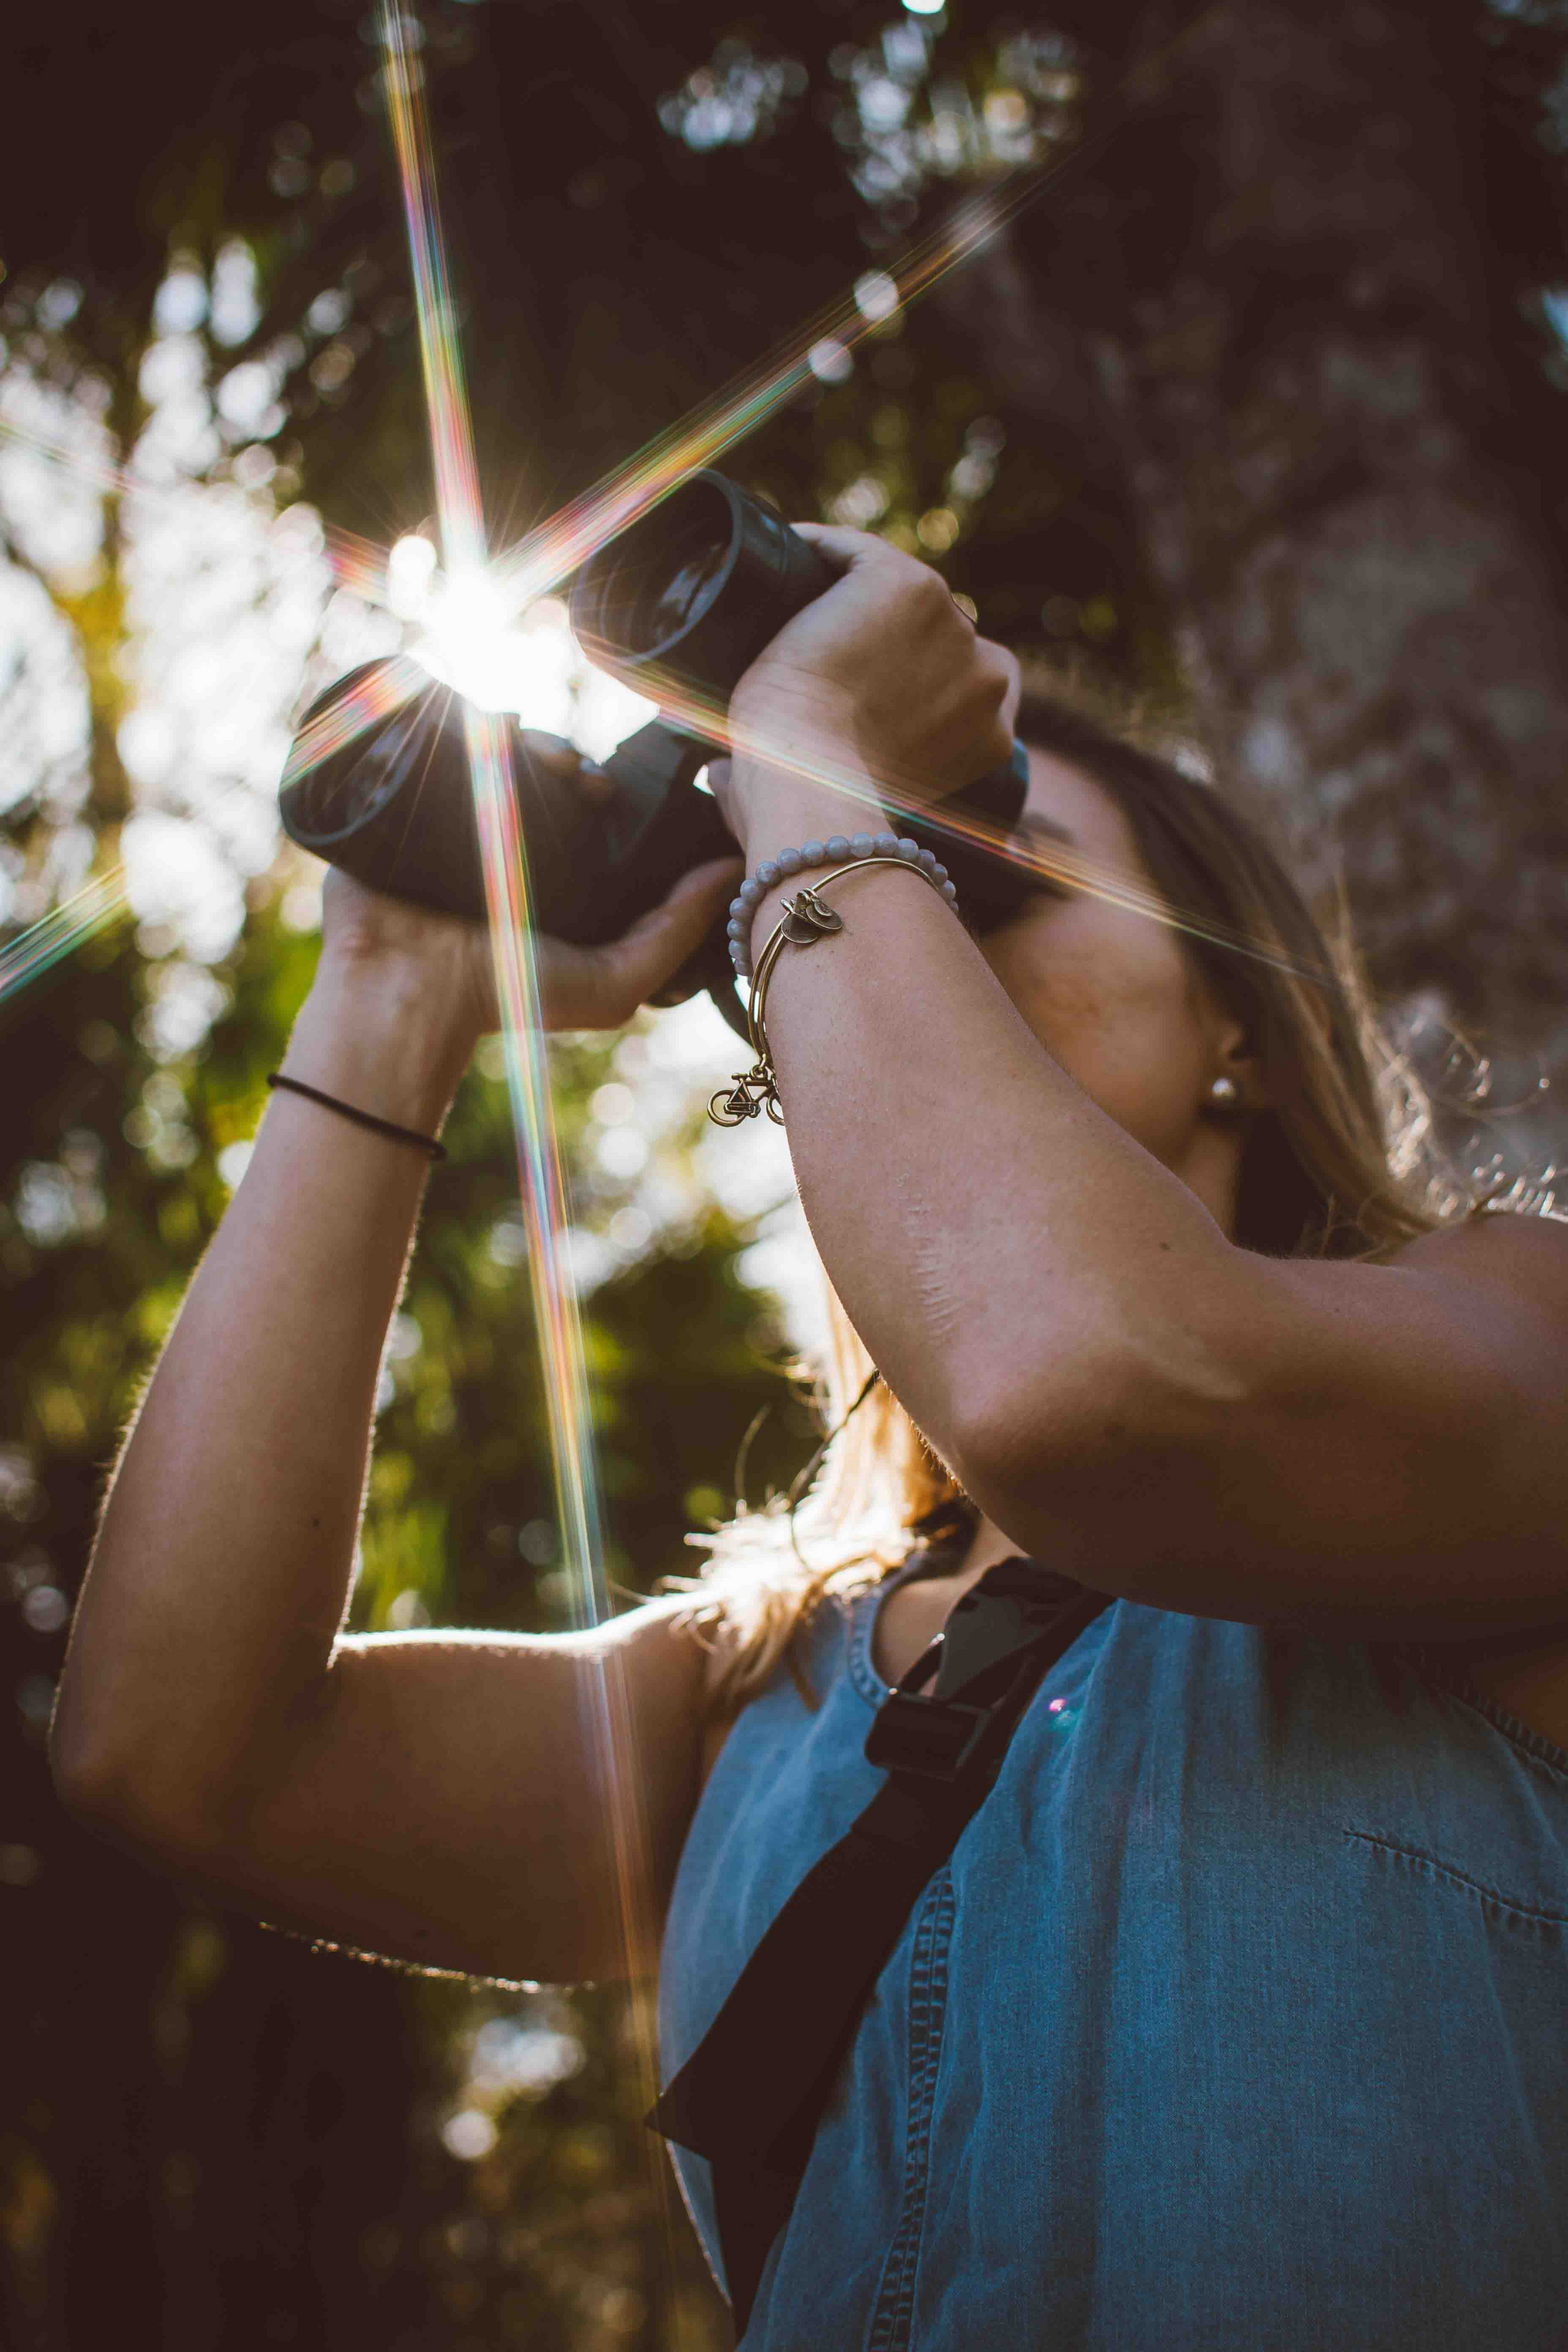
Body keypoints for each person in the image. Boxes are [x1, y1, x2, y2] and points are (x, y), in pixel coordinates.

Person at [51, 528, 1568, 2350]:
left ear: (1234, 1013)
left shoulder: (1518, 1341)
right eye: (861, 885)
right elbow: (176, 1748)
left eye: (982, 875)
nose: (902, 929)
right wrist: (397, 990)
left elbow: (1085, 1383)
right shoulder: (755, 1692)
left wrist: (820, 781)